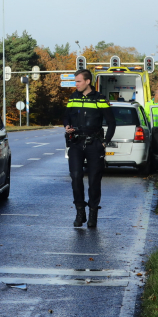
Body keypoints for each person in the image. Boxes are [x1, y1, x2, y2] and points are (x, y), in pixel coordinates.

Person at [64, 69, 116, 228]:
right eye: (75, 81)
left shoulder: (100, 99)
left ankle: (93, 213)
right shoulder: (73, 97)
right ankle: (80, 212)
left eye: (78, 81)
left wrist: (105, 142)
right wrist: (66, 126)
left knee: (94, 180)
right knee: (76, 176)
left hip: (94, 143)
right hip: (76, 143)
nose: (76, 84)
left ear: (87, 82)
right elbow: (66, 115)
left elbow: (112, 122)